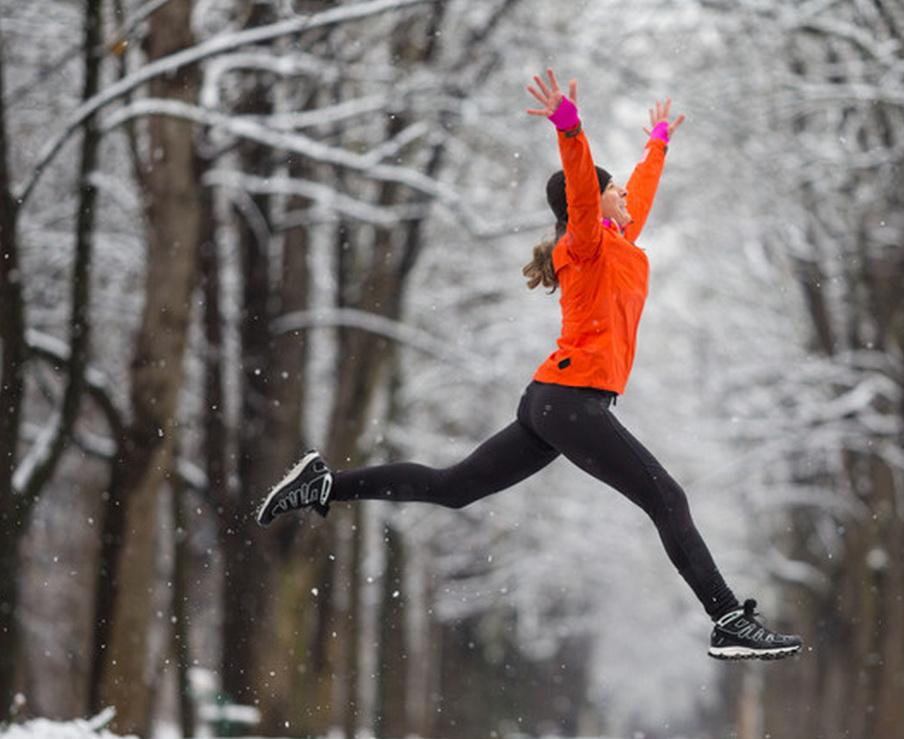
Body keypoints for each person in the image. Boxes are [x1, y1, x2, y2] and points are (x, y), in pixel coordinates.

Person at [257, 70, 802, 661]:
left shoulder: (620, 242)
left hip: (553, 402)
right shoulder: (586, 244)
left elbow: (638, 193)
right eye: (611, 190)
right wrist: (570, 128)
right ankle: (727, 619)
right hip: (570, 401)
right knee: (667, 500)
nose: (623, 194)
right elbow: (584, 189)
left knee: (454, 488)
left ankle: (326, 484)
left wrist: (659, 141)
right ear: (588, 206)